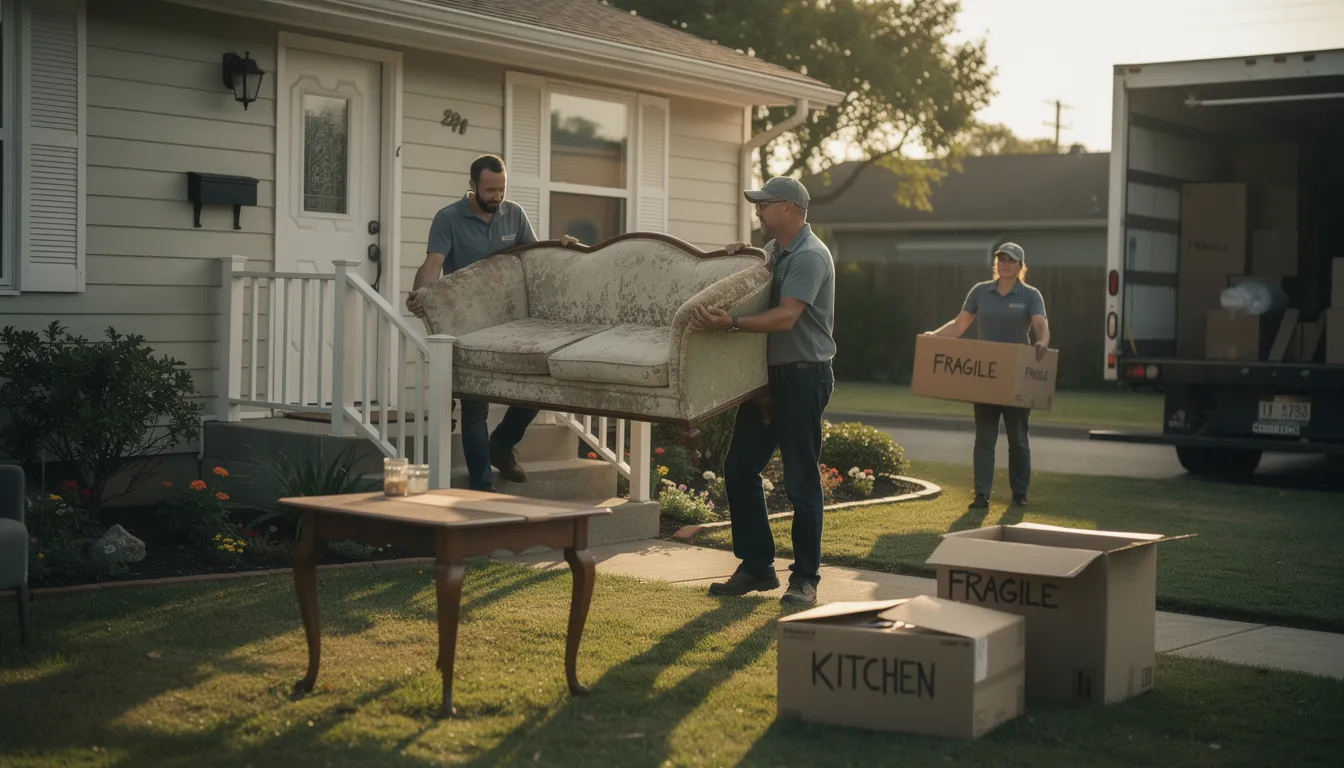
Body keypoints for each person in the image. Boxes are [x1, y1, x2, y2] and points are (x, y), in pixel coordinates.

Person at [690, 176, 836, 605]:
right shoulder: (773, 252)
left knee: (800, 481)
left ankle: (805, 580)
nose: (757, 210)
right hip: (767, 380)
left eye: (764, 204)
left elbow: (786, 316)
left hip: (804, 377)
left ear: (789, 208)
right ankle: (757, 567)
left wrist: (730, 324)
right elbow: (755, 289)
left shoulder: (810, 256)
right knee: (739, 468)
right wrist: (740, 262)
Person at [406, 153, 579, 492]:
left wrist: (562, 247)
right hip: (467, 324)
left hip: (511, 322)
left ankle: (501, 446)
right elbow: (433, 264)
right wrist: (419, 295)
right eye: (489, 190)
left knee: (534, 389)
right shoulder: (448, 218)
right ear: (472, 186)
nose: (496, 197)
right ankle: (482, 487)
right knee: (474, 409)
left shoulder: (514, 214)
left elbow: (535, 256)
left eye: (501, 189)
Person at [926, 242, 1050, 510]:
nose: (1005, 263)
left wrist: (1042, 342)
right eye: (1001, 259)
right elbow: (960, 324)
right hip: (986, 377)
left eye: (1011, 260)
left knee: (1018, 439)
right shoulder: (980, 292)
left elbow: (1041, 323)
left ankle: (1019, 495)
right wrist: (935, 337)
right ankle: (981, 495)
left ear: (1020, 266)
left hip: (1017, 376)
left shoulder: (1030, 295)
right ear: (996, 263)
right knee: (984, 439)